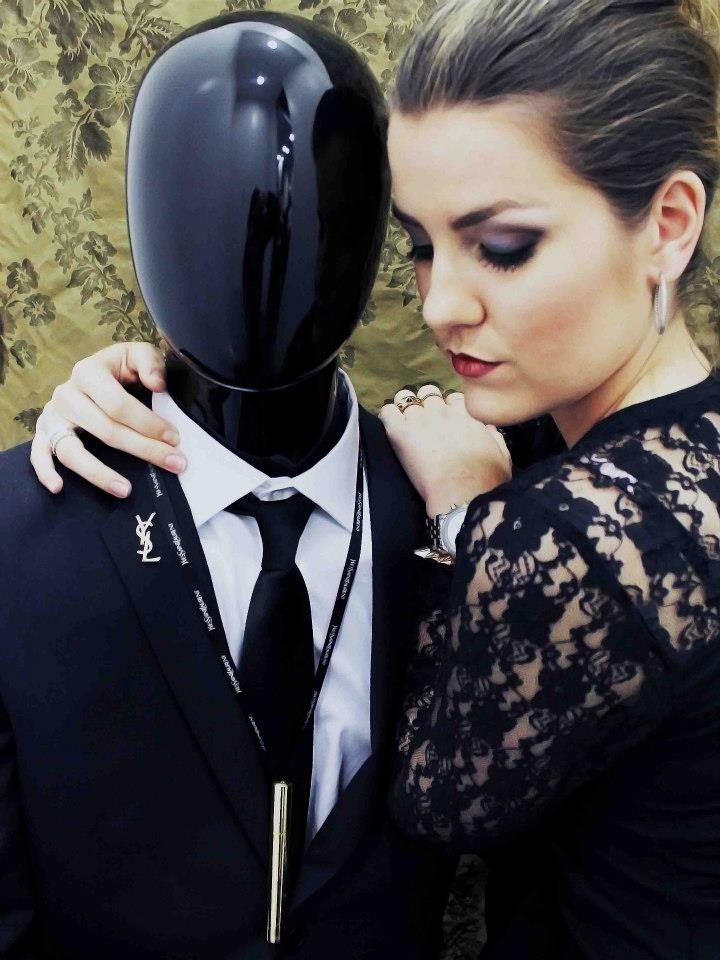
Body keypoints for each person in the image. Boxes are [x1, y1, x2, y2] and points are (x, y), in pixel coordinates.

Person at [26, 0, 720, 958]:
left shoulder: (553, 527)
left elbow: (436, 808)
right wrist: (124, 387)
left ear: (668, 225)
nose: (439, 306)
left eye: (504, 247)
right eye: (421, 245)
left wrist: (468, 519)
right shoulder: (647, 451)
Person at [0, 11, 460, 960]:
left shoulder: (465, 510)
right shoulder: (16, 534)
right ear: (142, 225)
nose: (267, 242)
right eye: (206, 205)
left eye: (317, 206)